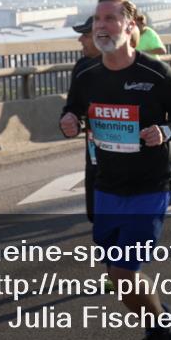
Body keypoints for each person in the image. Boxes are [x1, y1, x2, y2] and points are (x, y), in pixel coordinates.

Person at [59, 0, 171, 340]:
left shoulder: (155, 73)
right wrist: (68, 121)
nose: (101, 26)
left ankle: (161, 330)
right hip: (106, 185)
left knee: (123, 273)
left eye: (110, 19)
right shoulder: (86, 73)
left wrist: (165, 131)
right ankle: (160, 320)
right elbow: (73, 110)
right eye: (97, 19)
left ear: (130, 26)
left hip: (149, 187)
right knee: (118, 275)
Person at [61, 16, 101, 222]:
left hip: (134, 161)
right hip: (96, 154)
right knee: (96, 216)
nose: (80, 40)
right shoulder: (83, 67)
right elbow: (74, 107)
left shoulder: (140, 67)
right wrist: (71, 121)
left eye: (86, 35)